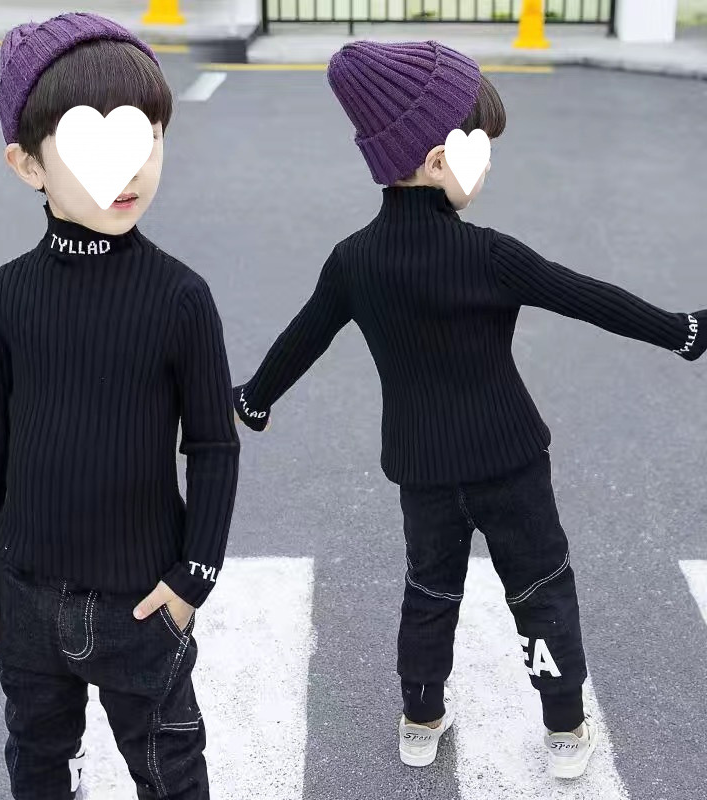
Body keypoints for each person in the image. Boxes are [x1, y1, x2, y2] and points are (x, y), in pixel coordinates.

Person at [231, 39, 706, 781]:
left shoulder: (353, 261)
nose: (488, 163)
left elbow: (302, 339)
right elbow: (588, 299)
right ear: (436, 159)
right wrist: (681, 331)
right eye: (479, 148)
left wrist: (254, 399)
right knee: (540, 586)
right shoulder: (489, 254)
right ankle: (564, 727)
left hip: (422, 469)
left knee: (431, 588)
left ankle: (421, 717)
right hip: (510, 458)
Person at [0, 13, 240, 799]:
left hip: (141, 602)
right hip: (24, 592)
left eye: (146, 137)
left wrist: (193, 579)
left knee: (170, 772)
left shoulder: (181, 297)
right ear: (28, 164)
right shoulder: (8, 294)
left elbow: (213, 446)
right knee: (37, 760)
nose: (129, 168)